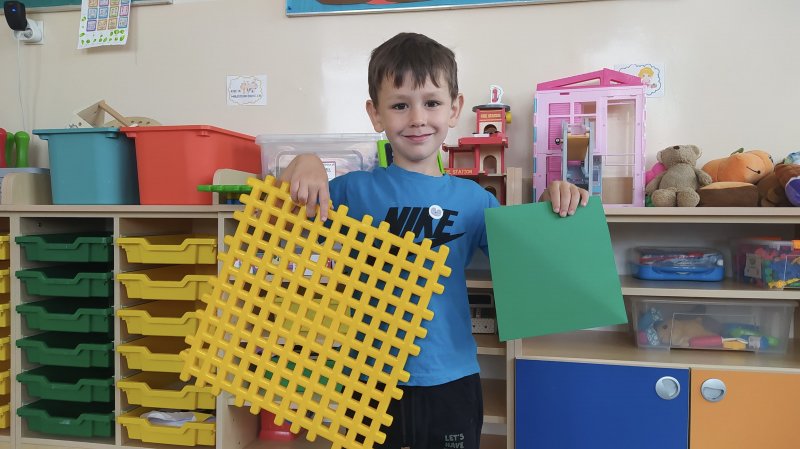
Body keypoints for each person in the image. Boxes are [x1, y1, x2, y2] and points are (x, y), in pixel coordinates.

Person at [279, 32, 588, 449]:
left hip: (451, 377)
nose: (417, 118)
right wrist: (305, 161)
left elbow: (532, 262)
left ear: (454, 108)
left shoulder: (476, 200)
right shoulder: (353, 190)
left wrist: (556, 206)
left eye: (431, 102)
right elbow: (281, 209)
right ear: (375, 114)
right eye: (399, 105)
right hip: (368, 378)